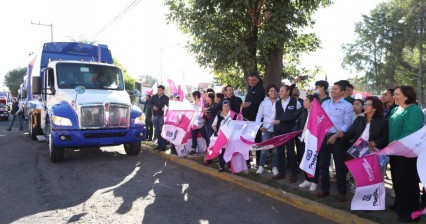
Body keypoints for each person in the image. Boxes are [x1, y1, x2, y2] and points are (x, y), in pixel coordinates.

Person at [387, 86, 423, 222]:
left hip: (407, 153)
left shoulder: (414, 110)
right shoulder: (396, 109)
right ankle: (400, 206)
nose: (394, 97)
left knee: (409, 183)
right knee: (397, 181)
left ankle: (412, 213)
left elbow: (410, 132)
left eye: (397, 94)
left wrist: (395, 143)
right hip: (394, 152)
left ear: (406, 96)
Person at [316, 81, 353, 203]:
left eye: (336, 89)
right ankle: (324, 189)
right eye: (332, 89)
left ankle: (342, 192)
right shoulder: (326, 103)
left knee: (339, 166)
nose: (332, 91)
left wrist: (336, 135)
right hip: (324, 136)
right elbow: (319, 118)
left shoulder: (347, 106)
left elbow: (347, 123)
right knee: (323, 164)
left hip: (338, 138)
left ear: (342, 92)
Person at [334, 96, 388, 173]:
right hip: (358, 151)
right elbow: (351, 134)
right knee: (360, 176)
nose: (365, 107)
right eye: (365, 104)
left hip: (373, 153)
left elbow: (386, 138)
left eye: (368, 105)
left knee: (373, 177)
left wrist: (376, 142)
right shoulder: (359, 119)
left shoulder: (383, 121)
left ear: (375, 108)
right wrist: (342, 134)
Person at [272, 85, 302, 182]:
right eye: (279, 91)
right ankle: (281, 173)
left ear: (288, 92)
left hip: (290, 132)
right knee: (280, 152)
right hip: (279, 132)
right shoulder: (276, 103)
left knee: (291, 153)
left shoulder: (296, 103)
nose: (279, 93)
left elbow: (295, 116)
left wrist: (280, 120)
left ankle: (294, 174)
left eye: (282, 91)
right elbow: (273, 117)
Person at [241, 72, 266, 168]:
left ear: (258, 80)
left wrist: (249, 104)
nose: (251, 82)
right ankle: (250, 161)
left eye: (253, 80)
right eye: (250, 80)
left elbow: (258, 102)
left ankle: (255, 162)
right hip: (247, 119)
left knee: (255, 141)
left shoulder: (260, 89)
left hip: (255, 120)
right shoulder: (249, 88)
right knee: (249, 140)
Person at [255, 85, 279, 176]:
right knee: (264, 148)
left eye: (274, 90)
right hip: (266, 129)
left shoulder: (280, 102)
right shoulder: (263, 103)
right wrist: (258, 126)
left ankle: (274, 167)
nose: (273, 92)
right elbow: (259, 115)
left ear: (277, 92)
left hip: (277, 129)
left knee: (275, 149)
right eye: (271, 91)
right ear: (268, 93)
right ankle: (261, 166)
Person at [297, 95, 319, 191]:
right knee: (305, 160)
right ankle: (307, 179)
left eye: (306, 101)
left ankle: (314, 181)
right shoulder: (304, 111)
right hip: (303, 139)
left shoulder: (317, 114)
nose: (303, 102)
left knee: (313, 161)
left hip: (312, 141)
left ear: (312, 102)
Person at [211, 100, 237, 172]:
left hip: (229, 136)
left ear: (229, 107)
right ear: (222, 107)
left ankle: (229, 166)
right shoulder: (219, 114)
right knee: (221, 152)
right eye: (224, 106)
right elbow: (213, 124)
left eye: (227, 106)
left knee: (229, 151)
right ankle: (221, 166)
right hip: (220, 136)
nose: (225, 108)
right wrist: (215, 129)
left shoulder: (233, 115)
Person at [148, 85, 169, 151]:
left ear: (163, 90)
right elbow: (149, 103)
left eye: (160, 90)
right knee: (157, 132)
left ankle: (163, 146)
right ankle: (159, 145)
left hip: (162, 116)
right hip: (154, 116)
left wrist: (165, 108)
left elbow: (168, 105)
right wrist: (153, 106)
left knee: (162, 131)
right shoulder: (154, 96)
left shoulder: (166, 98)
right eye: (158, 90)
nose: (158, 91)